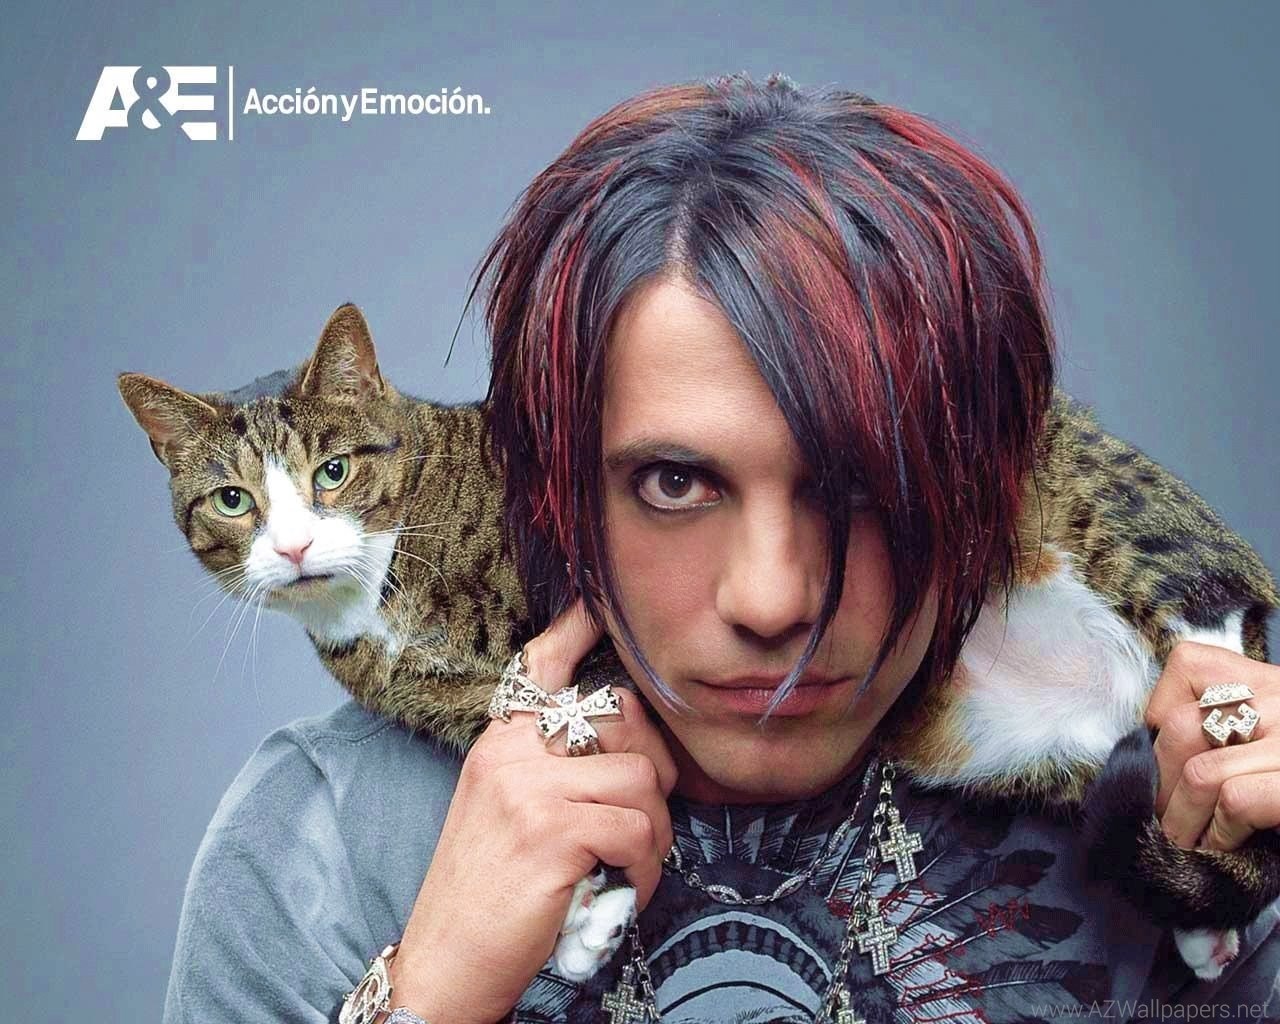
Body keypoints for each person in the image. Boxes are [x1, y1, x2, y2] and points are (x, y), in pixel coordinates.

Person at [162, 74, 1280, 1023]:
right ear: (554, 492)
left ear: (986, 481)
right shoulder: (319, 843)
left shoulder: (1201, 794)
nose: (772, 599)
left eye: (857, 485)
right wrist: (431, 995)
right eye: (674, 482)